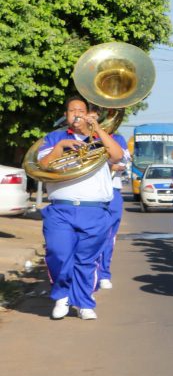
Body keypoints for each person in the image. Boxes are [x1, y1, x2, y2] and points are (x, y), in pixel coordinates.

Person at [38, 95, 124, 320]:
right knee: (58, 254)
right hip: (61, 209)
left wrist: (98, 130)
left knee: (86, 260)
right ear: (65, 116)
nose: (76, 113)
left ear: (87, 114)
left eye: (81, 110)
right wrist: (60, 148)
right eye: (71, 110)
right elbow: (42, 166)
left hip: (94, 210)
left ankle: (84, 302)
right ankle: (62, 296)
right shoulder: (54, 137)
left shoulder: (100, 139)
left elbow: (117, 155)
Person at [94, 108, 130, 291]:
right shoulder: (85, 138)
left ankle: (104, 273)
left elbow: (122, 164)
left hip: (112, 191)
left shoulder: (118, 139)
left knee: (108, 236)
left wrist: (107, 165)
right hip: (90, 194)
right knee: (91, 236)